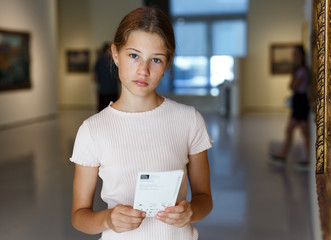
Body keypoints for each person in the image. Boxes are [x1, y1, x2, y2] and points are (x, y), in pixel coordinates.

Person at [70, 6, 213, 240]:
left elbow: (204, 199)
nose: (143, 70)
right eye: (134, 55)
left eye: (156, 59)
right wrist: (107, 219)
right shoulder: (92, 130)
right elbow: (79, 216)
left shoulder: (189, 120)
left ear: (167, 64)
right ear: (115, 54)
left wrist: (191, 211)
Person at [270, 45, 310, 170]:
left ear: (302, 56)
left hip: (300, 101)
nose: (294, 57)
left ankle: (305, 159)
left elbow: (293, 86)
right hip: (299, 101)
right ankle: (283, 156)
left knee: (295, 131)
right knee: (294, 130)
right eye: (294, 54)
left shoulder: (301, 70)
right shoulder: (300, 70)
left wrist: (293, 83)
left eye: (296, 54)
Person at [93, 43, 119, 112]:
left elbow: (94, 78)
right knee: (113, 112)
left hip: (102, 91)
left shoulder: (99, 62)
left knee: (102, 112)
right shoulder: (115, 62)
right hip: (113, 91)